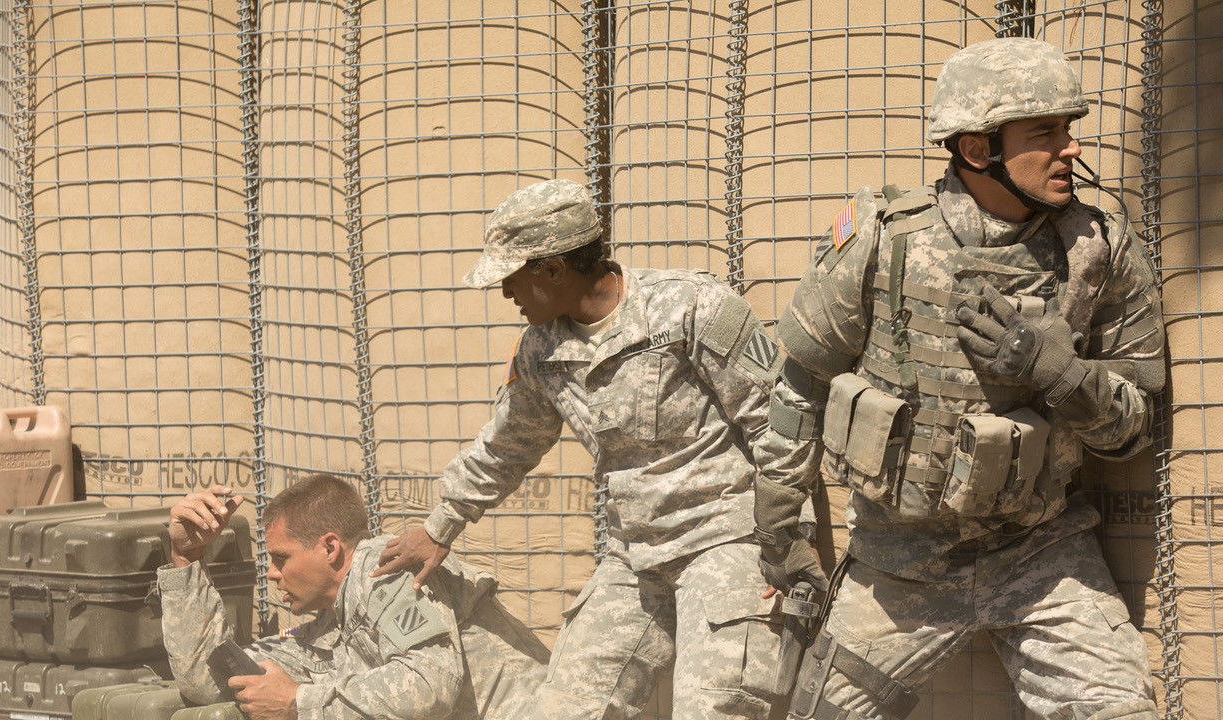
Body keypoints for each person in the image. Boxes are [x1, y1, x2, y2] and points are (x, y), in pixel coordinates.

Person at [753, 37, 1165, 720]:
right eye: (1045, 133)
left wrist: (1058, 372)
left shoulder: (1098, 246)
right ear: (978, 149)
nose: (1071, 148)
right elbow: (800, 387)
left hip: (1042, 554)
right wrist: (780, 532)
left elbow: (1134, 429)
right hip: (897, 565)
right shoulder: (883, 236)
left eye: (1069, 129)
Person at [373, 178, 794, 719]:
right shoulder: (541, 348)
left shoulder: (691, 307)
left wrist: (785, 538)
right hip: (634, 555)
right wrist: (439, 527)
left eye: (512, 277)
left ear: (552, 270)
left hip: (725, 541)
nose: (506, 293)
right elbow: (508, 445)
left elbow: (777, 420)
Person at [160, 473, 550, 720]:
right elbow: (208, 683)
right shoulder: (332, 625)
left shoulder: (383, 569)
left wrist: (300, 703)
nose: (272, 573)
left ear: (330, 548)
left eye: (281, 558)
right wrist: (186, 558)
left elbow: (429, 687)